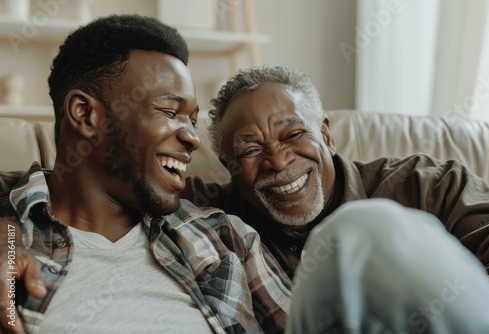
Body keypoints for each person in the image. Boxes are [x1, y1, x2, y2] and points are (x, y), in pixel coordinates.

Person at [3, 60, 489, 333]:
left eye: (291, 136)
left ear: (326, 133)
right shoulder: (211, 214)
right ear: (228, 167)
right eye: (250, 149)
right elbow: (87, 183)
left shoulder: (426, 184)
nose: (278, 163)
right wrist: (7, 231)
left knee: (365, 229)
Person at [0, 15, 291, 334]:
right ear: (85, 114)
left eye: (191, 120)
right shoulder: (12, 234)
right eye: (169, 112)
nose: (193, 139)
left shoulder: (227, 239)